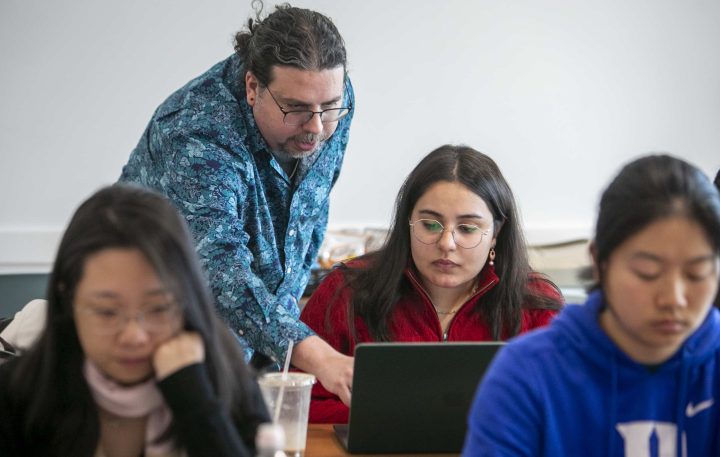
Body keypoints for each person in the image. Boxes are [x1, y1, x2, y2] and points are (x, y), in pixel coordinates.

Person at [118, 2, 355, 404]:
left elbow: (306, 213)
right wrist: (312, 351)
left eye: (329, 107)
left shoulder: (330, 98)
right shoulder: (196, 128)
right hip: (157, 339)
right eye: (296, 109)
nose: (316, 127)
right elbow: (218, 268)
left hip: (262, 346)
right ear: (252, 87)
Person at [463, 155, 720, 457]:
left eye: (696, 274)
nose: (674, 298)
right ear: (599, 263)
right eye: (647, 274)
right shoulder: (528, 374)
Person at [300, 145, 564, 423]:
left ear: (495, 234)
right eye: (431, 225)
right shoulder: (346, 291)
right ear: (408, 223)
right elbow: (294, 402)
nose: (447, 244)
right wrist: (397, 418)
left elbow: (564, 409)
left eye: (467, 229)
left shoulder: (536, 304)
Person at [0, 185, 270, 456]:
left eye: (157, 309)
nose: (134, 335)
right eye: (107, 312)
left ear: (186, 300)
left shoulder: (230, 386)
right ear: (68, 300)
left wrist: (193, 396)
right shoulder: (20, 395)